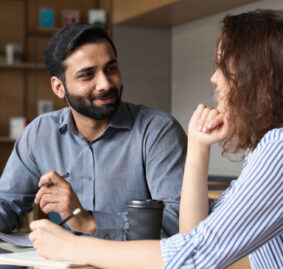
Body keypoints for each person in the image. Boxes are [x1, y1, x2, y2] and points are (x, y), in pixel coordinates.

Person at [29, 9, 283, 269]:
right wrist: (198, 145)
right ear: (58, 87)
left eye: (222, 65)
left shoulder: (278, 147)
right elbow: (195, 235)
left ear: (255, 72)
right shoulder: (266, 147)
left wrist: (73, 246)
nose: (214, 79)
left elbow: (191, 257)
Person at [0, 23, 187, 239]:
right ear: (59, 87)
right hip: (66, 268)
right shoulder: (39, 134)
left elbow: (178, 221)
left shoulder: (158, 131)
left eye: (111, 69)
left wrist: (90, 221)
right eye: (87, 75)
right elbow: (6, 204)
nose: (105, 84)